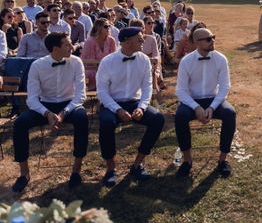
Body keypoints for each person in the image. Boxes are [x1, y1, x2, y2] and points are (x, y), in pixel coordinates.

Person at [11, 32, 88, 192]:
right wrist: (47, 114)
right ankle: (24, 173)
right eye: (67, 44)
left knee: (82, 118)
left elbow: (81, 95)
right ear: (55, 48)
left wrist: (63, 113)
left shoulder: (76, 62)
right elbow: (31, 99)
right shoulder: (38, 65)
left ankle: (76, 170)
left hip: (69, 103)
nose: (72, 47)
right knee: (20, 123)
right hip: (44, 105)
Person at [96, 27, 165, 187]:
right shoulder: (108, 62)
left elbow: (148, 87)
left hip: (135, 101)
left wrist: (141, 107)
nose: (143, 41)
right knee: (106, 123)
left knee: (157, 119)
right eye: (140, 39)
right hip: (111, 102)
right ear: (127, 41)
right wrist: (118, 110)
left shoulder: (143, 60)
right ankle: (110, 169)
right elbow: (102, 92)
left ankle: (138, 164)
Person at [174, 28, 236, 178]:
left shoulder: (220, 59)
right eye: (208, 39)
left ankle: (222, 160)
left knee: (230, 113)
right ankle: (187, 160)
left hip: (214, 99)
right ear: (196, 42)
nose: (212, 41)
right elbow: (181, 90)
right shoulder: (186, 61)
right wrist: (195, 107)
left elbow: (225, 86)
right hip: (192, 100)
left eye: (213, 37)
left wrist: (212, 107)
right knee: (180, 116)